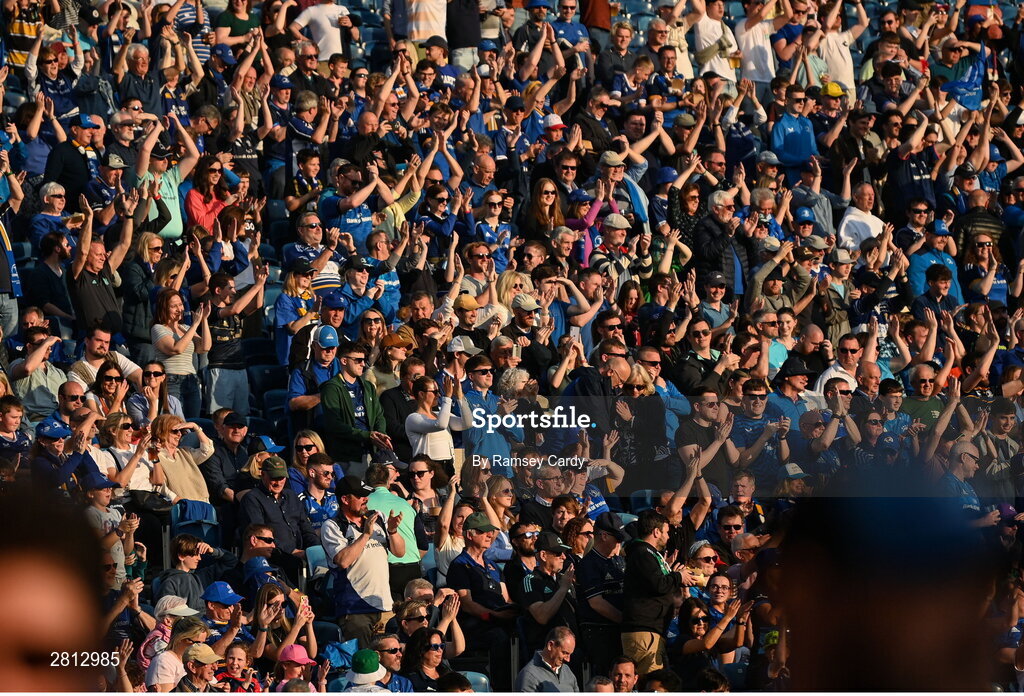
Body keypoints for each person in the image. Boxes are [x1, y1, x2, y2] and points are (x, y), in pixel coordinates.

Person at [321, 475, 406, 647]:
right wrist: (366, 534)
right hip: (354, 609)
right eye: (360, 496)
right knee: (365, 662)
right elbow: (343, 561)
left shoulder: (378, 517)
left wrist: (393, 531)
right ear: (345, 499)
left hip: (384, 605)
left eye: (366, 495)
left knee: (390, 658)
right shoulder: (332, 526)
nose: (365, 499)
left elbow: (399, 552)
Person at [238, 455, 319, 584]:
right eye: (274, 478)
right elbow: (259, 536)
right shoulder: (252, 499)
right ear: (263, 475)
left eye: (281, 478)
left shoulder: (291, 496)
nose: (278, 482)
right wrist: (291, 551)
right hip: (274, 556)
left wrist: (316, 549)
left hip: (301, 554)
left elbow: (306, 527)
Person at [514, 626, 580, 692]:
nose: (568, 660)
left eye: (570, 654)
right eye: (564, 653)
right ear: (550, 645)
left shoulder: (567, 670)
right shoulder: (529, 676)